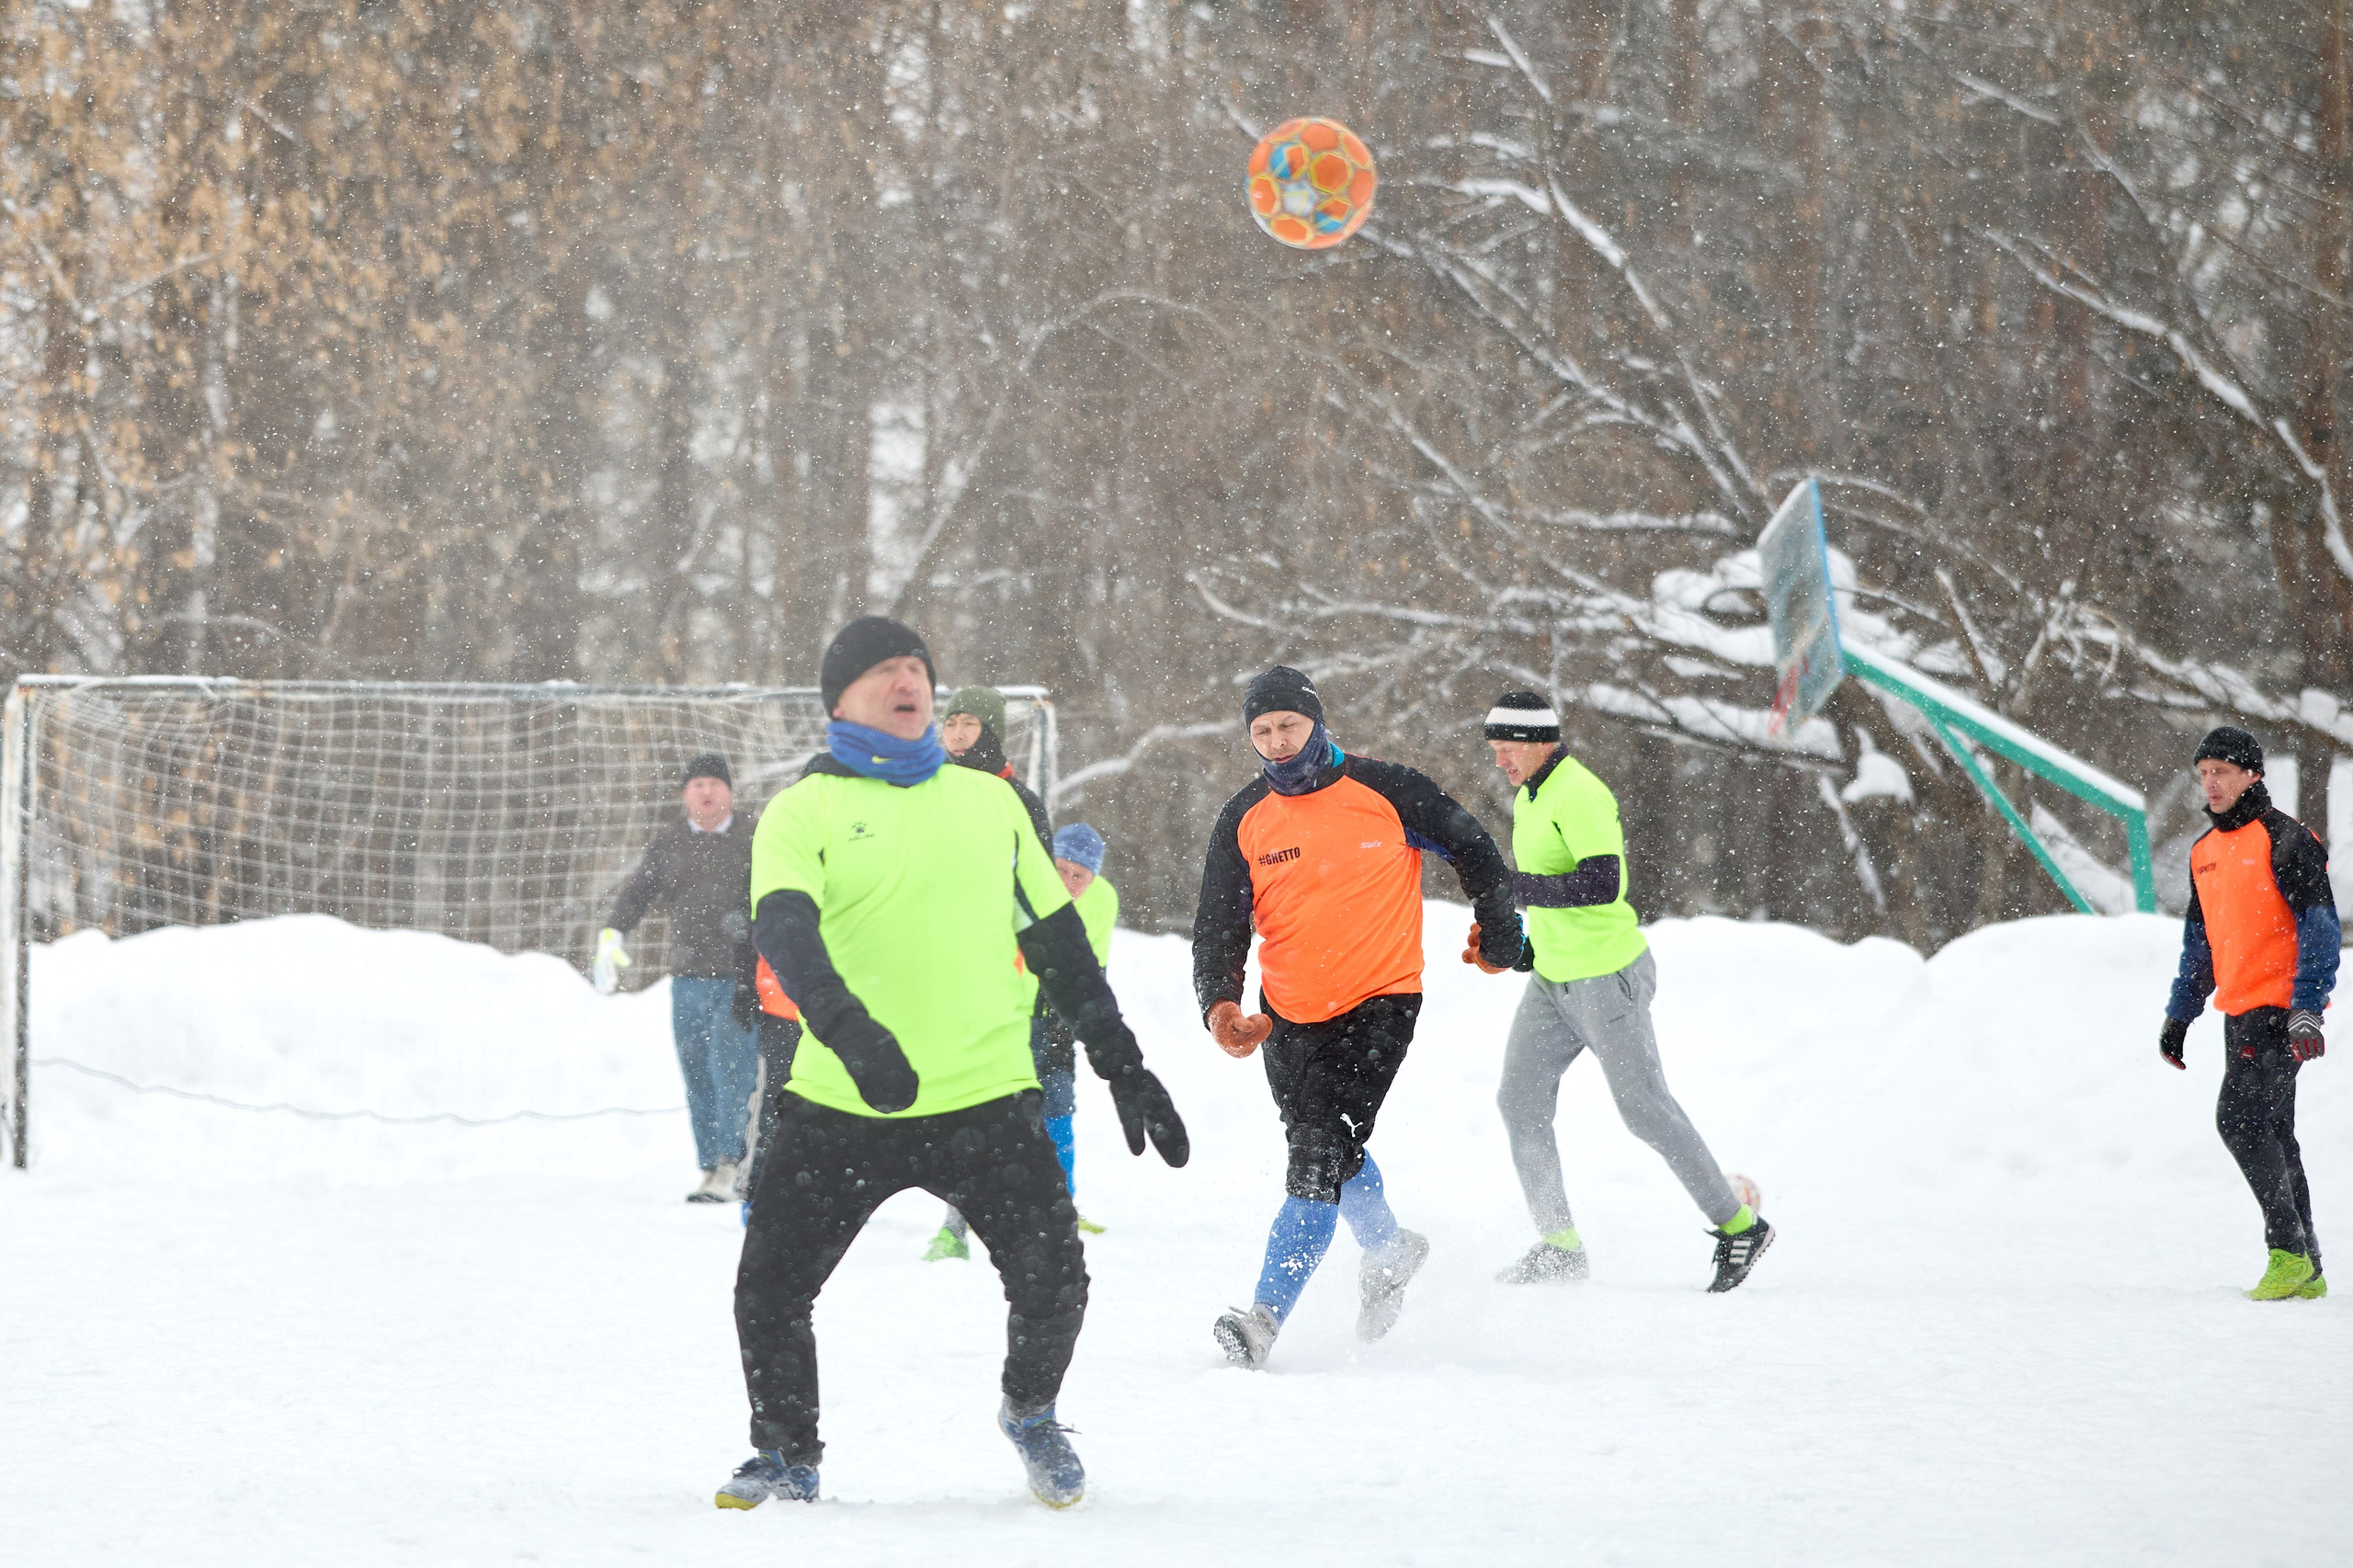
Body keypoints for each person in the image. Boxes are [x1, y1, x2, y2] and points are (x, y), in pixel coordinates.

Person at [718, 616, 1188, 1511]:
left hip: (983, 1097)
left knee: (1056, 1278)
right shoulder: (801, 809)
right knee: (767, 1288)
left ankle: (1031, 1409)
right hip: (839, 1100)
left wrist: (1122, 1063)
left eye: (918, 667)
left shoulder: (991, 804)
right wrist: (853, 1034)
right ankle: (785, 1450)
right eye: (885, 668)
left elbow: (1060, 948)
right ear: (840, 698)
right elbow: (785, 929)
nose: (909, 679)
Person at [1193, 666, 1522, 1369]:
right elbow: (1217, 925)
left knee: (1315, 1153)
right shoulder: (1244, 818)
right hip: (1287, 1016)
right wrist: (1221, 1005)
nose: (1278, 741)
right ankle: (1391, 1250)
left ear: (1317, 721)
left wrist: (1497, 934)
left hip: (1381, 1001)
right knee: (1332, 1150)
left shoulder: (1387, 789)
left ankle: (1262, 1322)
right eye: (1262, 730)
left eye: (1289, 725)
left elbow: (1478, 850)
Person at [1481, 692, 1773, 1292]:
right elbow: (1555, 895)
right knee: (1519, 1100)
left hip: (1607, 977)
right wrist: (1523, 949)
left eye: (1508, 750)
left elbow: (1600, 883)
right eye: (1495, 751)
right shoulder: (1531, 795)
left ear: (1539, 744)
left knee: (1644, 1108)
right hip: (1555, 981)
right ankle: (1560, 1244)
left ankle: (1740, 1224)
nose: (1501, 763)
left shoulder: (1580, 792)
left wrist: (1513, 887)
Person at [2160, 725, 2338, 1301]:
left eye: (2222, 772)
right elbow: (2200, 947)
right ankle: (2307, 1266)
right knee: (2275, 1133)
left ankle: (2285, 1251)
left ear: (2252, 775)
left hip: (2280, 1009)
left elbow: (2320, 930)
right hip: (2238, 1012)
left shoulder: (2286, 840)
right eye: (2203, 773)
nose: (2210, 783)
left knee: (2238, 1120)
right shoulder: (2203, 853)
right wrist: (2180, 1015)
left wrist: (2307, 1007)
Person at [924, 683, 1060, 1260]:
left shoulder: (1019, 800)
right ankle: (959, 1219)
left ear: (992, 729)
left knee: (1004, 1097)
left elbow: (1042, 891)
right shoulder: (927, 791)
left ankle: (980, 1220)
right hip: (944, 968)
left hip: (1005, 970)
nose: (956, 734)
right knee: (952, 1097)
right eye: (949, 724)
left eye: (968, 724)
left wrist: (1049, 974)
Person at [595, 753, 760, 1202]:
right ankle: (709, 1167)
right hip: (687, 979)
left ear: (729, 791)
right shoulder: (669, 841)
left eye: (714, 784)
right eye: (697, 785)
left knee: (735, 1073)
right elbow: (638, 891)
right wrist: (614, 932)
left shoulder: (755, 835)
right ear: (685, 794)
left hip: (739, 978)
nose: (706, 792)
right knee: (698, 1074)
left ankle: (733, 1164)